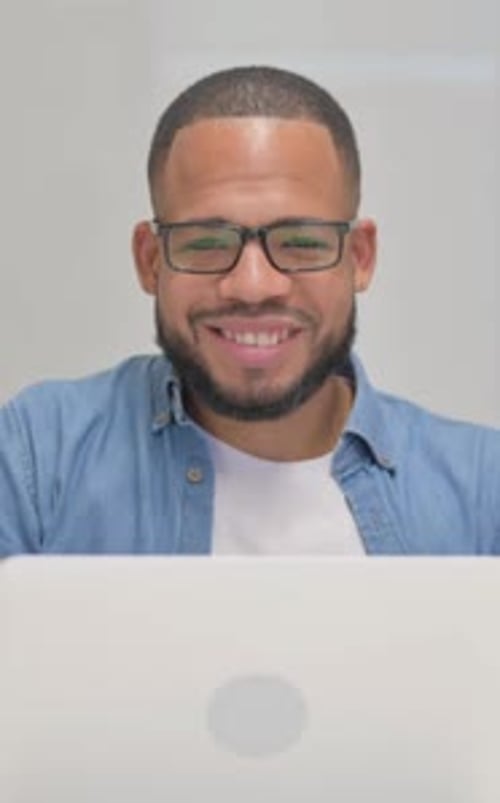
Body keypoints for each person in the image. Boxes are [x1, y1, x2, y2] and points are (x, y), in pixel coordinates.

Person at [1, 65, 499, 556]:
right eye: (208, 242)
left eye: (301, 241)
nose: (253, 286)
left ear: (360, 258)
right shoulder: (36, 461)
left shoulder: (483, 495)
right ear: (150, 261)